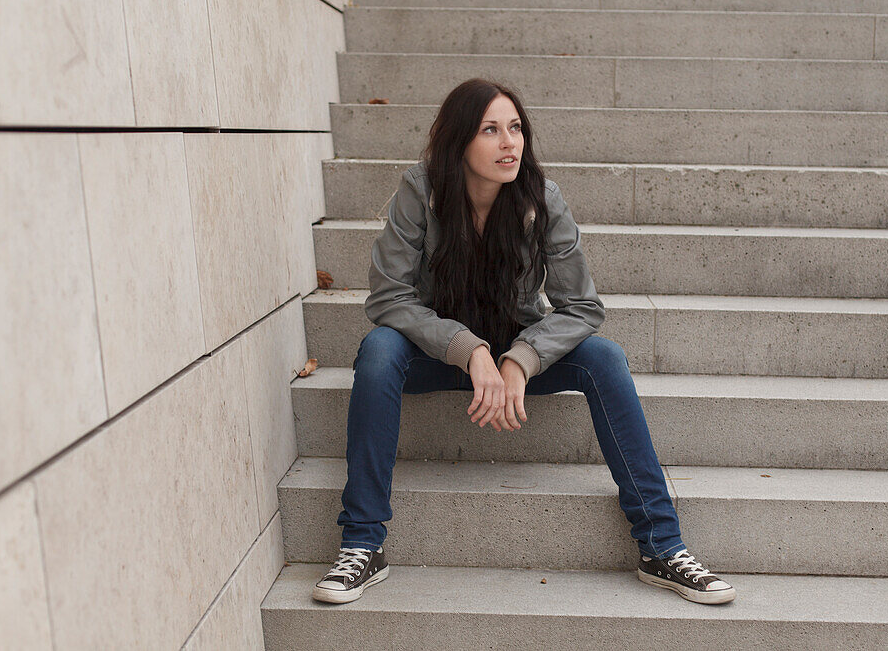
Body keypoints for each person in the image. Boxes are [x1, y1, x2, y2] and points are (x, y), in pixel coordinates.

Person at [311, 78, 735, 606]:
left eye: (515, 128)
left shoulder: (541, 197)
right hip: (435, 356)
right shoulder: (420, 191)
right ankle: (362, 544)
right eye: (490, 130)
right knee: (378, 351)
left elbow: (583, 307)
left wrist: (520, 359)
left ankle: (661, 545)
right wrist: (469, 349)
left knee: (604, 357)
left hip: (512, 359)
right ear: (459, 141)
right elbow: (389, 297)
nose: (509, 143)